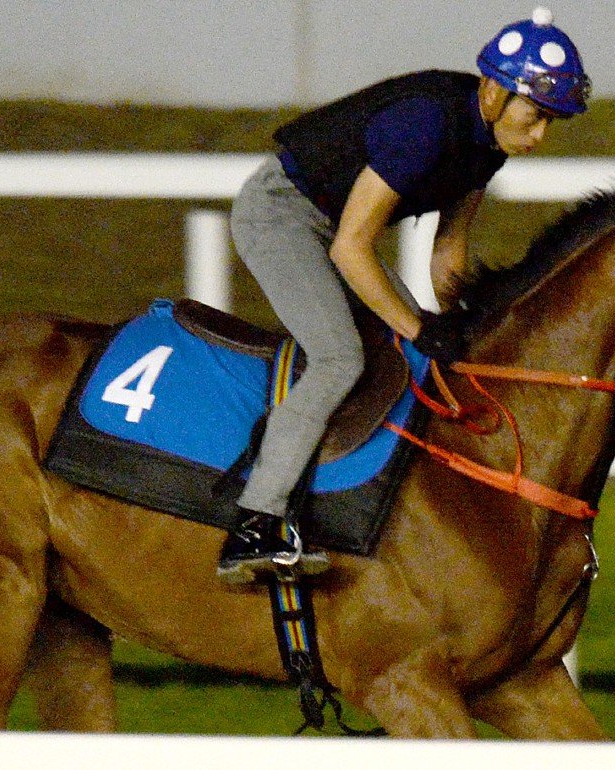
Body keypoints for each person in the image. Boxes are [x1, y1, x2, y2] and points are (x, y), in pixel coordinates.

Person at [217, 7, 591, 584]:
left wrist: (458, 324)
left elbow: (450, 247)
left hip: (335, 225)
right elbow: (350, 248)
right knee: (341, 358)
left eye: (551, 122)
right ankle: (254, 522)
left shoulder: (488, 143)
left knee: (412, 351)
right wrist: (419, 326)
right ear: (494, 92)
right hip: (282, 215)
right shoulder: (424, 125)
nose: (540, 136)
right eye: (537, 115)